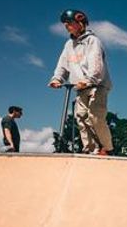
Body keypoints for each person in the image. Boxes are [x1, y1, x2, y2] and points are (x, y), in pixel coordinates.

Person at [48, 9, 114, 155]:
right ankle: (90, 148)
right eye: (66, 24)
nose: (67, 26)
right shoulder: (68, 45)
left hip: (97, 85)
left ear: (80, 22)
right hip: (80, 87)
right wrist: (57, 79)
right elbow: (63, 65)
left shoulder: (92, 41)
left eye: (70, 23)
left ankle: (107, 148)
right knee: (81, 118)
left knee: (95, 117)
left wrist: (89, 80)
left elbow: (96, 63)